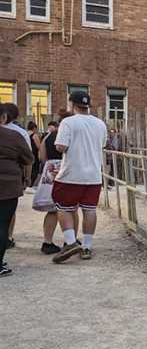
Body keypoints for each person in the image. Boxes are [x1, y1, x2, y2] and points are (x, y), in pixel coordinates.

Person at [52, 91, 107, 263]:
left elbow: (60, 146)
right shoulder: (100, 124)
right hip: (93, 176)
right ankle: (87, 247)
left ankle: (70, 242)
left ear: (72, 104)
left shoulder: (68, 122)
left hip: (71, 174)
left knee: (63, 208)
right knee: (90, 210)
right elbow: (102, 144)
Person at [37, 111, 78, 254]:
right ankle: (71, 240)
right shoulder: (72, 134)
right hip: (66, 169)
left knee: (52, 209)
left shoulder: (48, 136)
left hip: (50, 168)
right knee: (71, 209)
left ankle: (47, 242)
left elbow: (41, 156)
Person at [0, 106, 34, 276]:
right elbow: (28, 159)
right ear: (3, 117)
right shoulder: (14, 136)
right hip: (7, 185)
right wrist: (27, 178)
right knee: (2, 224)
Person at [2, 103, 29, 250]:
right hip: (11, 179)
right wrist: (27, 178)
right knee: (8, 213)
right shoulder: (18, 134)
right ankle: (8, 237)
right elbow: (28, 159)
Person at [27, 121, 42, 188]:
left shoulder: (25, 134)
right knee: (34, 170)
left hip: (27, 154)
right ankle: (30, 185)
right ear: (34, 128)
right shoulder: (35, 135)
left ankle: (27, 184)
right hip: (34, 155)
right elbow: (39, 147)